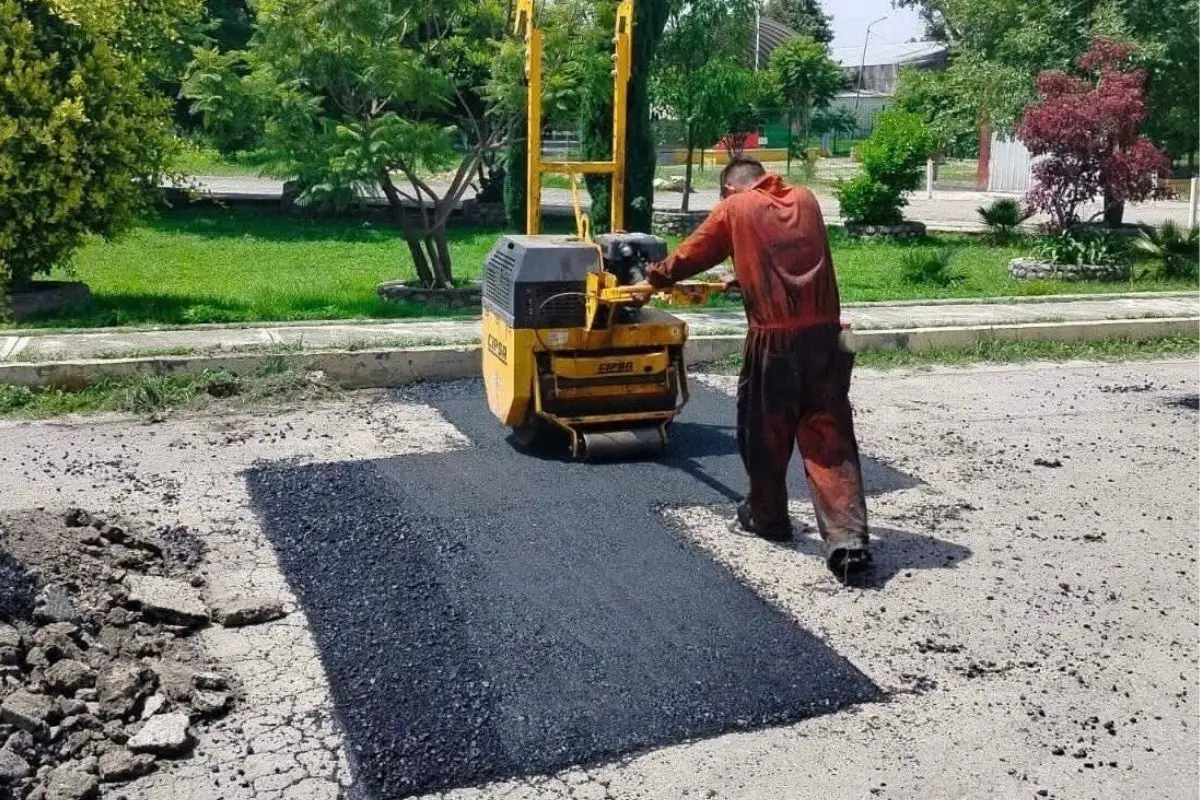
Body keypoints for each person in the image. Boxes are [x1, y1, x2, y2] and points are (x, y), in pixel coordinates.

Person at [629, 157, 871, 576]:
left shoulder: (735, 207)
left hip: (775, 342)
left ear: (728, 189)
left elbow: (694, 252)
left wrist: (654, 280)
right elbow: (792, 259)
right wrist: (745, 276)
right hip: (824, 339)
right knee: (829, 437)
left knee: (763, 433)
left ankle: (769, 519)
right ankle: (847, 541)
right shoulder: (807, 199)